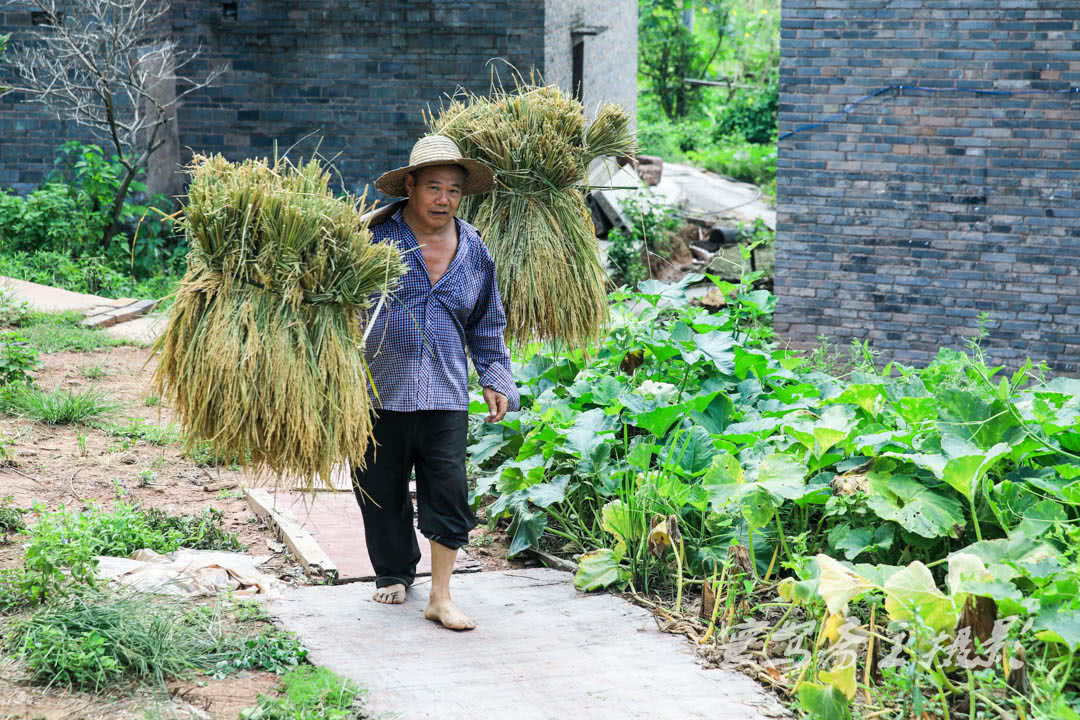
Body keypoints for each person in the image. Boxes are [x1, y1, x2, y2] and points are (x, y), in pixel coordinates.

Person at [353, 135, 519, 631]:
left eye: (453, 190)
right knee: (380, 488)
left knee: (447, 490)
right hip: (377, 388)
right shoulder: (374, 239)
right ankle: (395, 572)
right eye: (433, 187)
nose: (443, 199)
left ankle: (441, 596)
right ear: (409, 186)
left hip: (445, 390)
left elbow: (487, 322)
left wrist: (495, 377)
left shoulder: (474, 251)